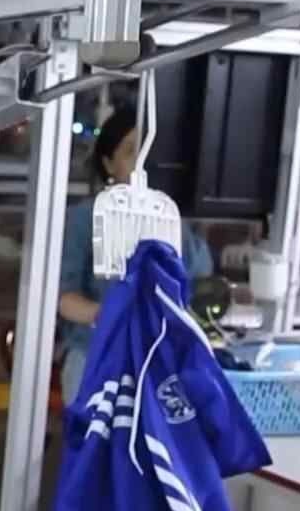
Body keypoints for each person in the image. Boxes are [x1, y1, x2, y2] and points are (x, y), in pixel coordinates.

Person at [57, 104, 213, 391]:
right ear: (108, 164)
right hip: (95, 357)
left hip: (158, 362)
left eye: (148, 153)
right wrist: (110, 315)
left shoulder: (170, 219)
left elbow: (200, 289)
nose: (142, 163)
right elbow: (63, 299)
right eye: (131, 152)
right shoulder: (85, 218)